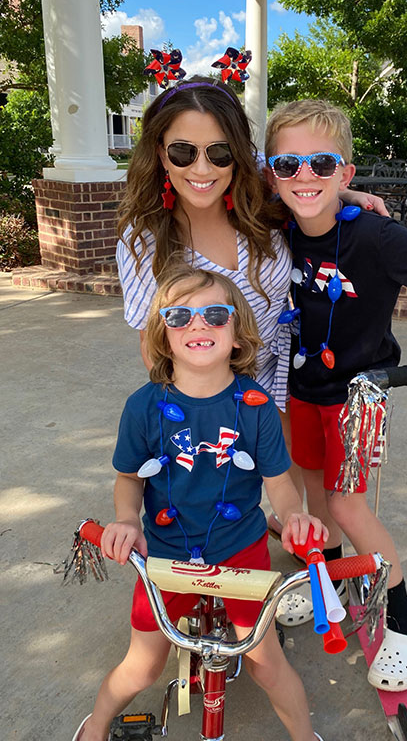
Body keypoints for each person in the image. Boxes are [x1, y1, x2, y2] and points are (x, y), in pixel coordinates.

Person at [264, 99, 407, 693]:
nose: (304, 176)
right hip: (300, 390)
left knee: (346, 505)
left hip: (361, 396)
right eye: (287, 164)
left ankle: (402, 614)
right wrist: (340, 193)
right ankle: (334, 579)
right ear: (271, 173)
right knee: (310, 488)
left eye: (322, 163)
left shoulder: (377, 234)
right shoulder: (275, 221)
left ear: (346, 171)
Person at [115, 74, 385, 536]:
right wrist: (193, 408)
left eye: (218, 152)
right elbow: (153, 344)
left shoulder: (259, 202)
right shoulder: (145, 243)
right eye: (184, 152)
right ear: (161, 153)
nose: (202, 168)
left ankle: (313, 560)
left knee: (303, 481)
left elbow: (304, 177)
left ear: (237, 154)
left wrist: (344, 194)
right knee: (228, 493)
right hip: (214, 383)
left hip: (292, 370)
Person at [73, 265, 328, 741]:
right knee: (141, 668)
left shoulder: (257, 408)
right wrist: (127, 519)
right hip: (166, 552)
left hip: (241, 551)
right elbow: (128, 479)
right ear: (162, 336)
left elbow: (280, 484)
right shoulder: (143, 407)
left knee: (267, 664)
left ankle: (305, 736)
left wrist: (294, 515)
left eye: (215, 314)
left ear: (237, 334)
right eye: (179, 316)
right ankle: (96, 725)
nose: (198, 325)